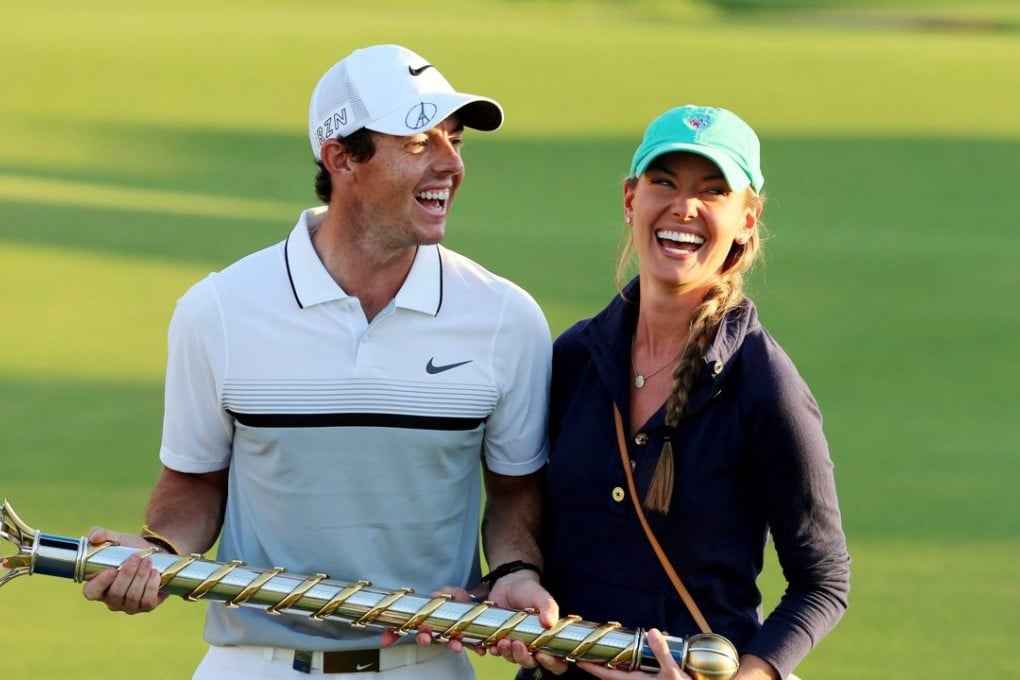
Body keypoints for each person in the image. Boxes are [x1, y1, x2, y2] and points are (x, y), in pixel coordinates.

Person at [81, 44, 555, 679]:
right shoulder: (218, 310)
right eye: (419, 141)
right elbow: (193, 484)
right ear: (341, 158)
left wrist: (516, 570)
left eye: (455, 140)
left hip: (425, 666)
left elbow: (515, 490)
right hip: (253, 663)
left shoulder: (507, 319)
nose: (450, 165)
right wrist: (160, 553)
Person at [513, 106, 851, 680]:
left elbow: (823, 581)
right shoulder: (574, 358)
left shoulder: (766, 387)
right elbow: (534, 522)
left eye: (713, 191)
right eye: (663, 182)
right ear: (629, 199)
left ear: (748, 218)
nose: (684, 207)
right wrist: (505, 586)